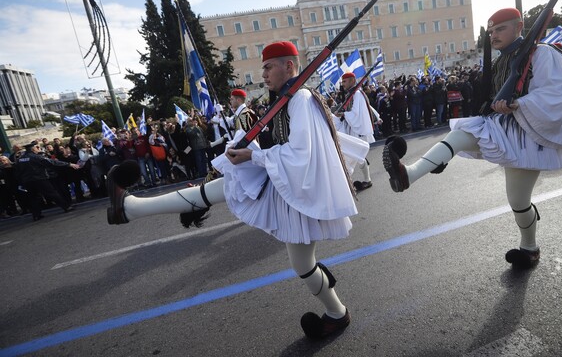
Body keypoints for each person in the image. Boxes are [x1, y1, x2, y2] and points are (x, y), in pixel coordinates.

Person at [106, 41, 369, 340]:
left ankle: (337, 314)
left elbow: (301, 154)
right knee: (226, 192)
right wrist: (253, 150)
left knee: (302, 263)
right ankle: (128, 208)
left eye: (269, 67)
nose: (264, 73)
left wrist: (253, 156)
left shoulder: (301, 99)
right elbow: (284, 146)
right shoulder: (287, 99)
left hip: (299, 190)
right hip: (289, 184)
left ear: (289, 66)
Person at [382, 7, 562, 269]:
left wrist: (519, 104)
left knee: (518, 202)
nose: (494, 35)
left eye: (501, 29)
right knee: (463, 132)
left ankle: (530, 248)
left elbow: (556, 94)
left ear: (519, 27)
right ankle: (409, 174)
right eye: (492, 31)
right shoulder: (499, 63)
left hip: (531, 133)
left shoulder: (541, 53)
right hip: (502, 128)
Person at [14, 141, 80, 221]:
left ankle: (36, 215)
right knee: (52, 193)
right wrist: (69, 164)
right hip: (39, 179)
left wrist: (21, 182)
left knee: (33, 197)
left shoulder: (21, 159)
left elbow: (17, 172)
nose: (38, 149)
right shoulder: (36, 157)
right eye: (37, 147)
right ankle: (66, 206)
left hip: (27, 181)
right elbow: (52, 162)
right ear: (33, 149)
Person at [333, 71, 375, 191]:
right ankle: (365, 180)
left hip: (357, 129)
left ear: (352, 80)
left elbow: (356, 113)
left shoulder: (357, 94)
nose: (343, 84)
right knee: (356, 156)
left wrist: (343, 114)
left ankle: (346, 184)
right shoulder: (351, 94)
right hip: (352, 128)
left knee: (353, 156)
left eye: (345, 81)